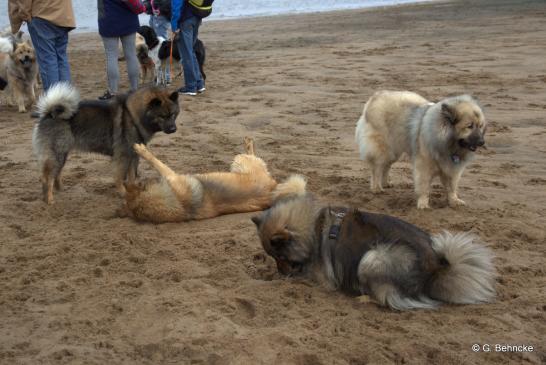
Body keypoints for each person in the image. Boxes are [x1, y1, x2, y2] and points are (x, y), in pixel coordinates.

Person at [8, 0, 76, 92]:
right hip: (64, 15)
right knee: (61, 58)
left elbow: (23, 3)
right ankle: (66, 98)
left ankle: (54, 101)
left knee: (48, 59)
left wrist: (23, 18)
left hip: (42, 15)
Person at [97, 0, 145, 100]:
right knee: (131, 55)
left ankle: (112, 91)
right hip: (128, 20)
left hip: (108, 20)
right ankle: (134, 89)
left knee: (111, 56)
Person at [171, 0, 211, 96]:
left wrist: (174, 24)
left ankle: (191, 87)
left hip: (186, 19)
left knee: (186, 54)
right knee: (190, 51)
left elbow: (176, 4)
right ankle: (199, 84)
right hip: (197, 16)